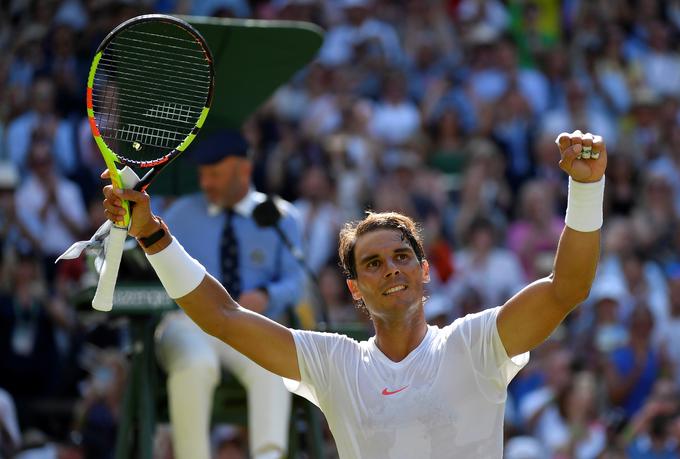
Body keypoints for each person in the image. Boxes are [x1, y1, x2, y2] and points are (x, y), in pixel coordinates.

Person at [101, 130, 606, 457]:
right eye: (372, 263)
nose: (391, 269)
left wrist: (586, 191)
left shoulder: (475, 343)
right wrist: (151, 234)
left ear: (425, 270)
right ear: (354, 289)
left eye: (402, 257)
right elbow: (223, 317)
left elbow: (568, 288)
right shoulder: (333, 362)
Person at [152, 131, 305, 459]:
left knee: (271, 364)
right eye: (203, 174)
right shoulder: (178, 214)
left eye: (216, 174)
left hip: (248, 322)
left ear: (244, 172)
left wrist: (267, 295)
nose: (206, 182)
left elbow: (297, 282)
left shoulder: (280, 216)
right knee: (195, 364)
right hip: (187, 320)